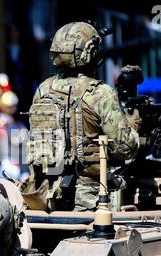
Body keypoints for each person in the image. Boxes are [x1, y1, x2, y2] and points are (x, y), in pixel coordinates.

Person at [22, 22, 140, 212]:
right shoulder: (101, 93)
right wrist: (133, 124)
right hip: (91, 200)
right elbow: (125, 148)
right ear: (91, 54)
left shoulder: (44, 89)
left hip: (48, 196)